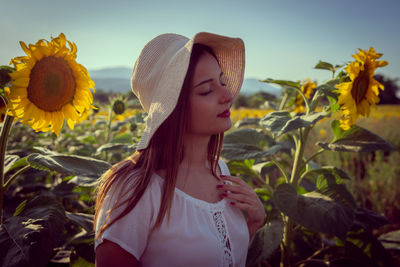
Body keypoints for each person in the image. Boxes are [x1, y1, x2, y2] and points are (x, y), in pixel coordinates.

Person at [94, 32, 266, 267]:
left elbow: (221, 256)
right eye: (207, 90)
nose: (228, 96)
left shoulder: (221, 170)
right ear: (173, 108)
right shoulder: (134, 188)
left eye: (223, 82)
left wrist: (253, 224)